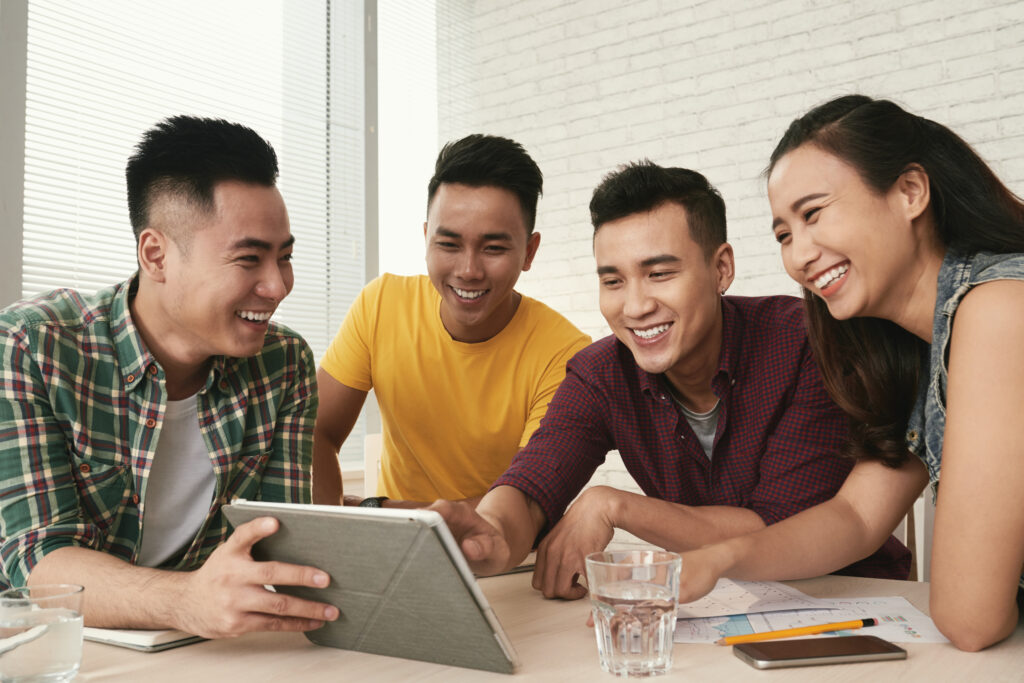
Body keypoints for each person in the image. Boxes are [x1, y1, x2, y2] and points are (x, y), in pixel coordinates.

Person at [438, 161, 910, 598]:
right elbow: (534, 483)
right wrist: (492, 534)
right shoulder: (600, 374)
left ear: (721, 268)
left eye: (659, 273)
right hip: (708, 609)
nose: (636, 306)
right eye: (613, 281)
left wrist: (613, 505)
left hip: (853, 601)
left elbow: (779, 527)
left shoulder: (807, 344)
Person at [671, 95, 1024, 652]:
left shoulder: (999, 308)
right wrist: (720, 559)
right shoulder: (924, 349)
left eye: (813, 214)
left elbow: (970, 618)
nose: (799, 256)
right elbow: (857, 517)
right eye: (784, 235)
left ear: (910, 192)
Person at [0, 116, 338, 638]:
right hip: (44, 647)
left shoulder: (284, 363)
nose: (277, 286)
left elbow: (279, 549)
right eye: (249, 259)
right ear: (156, 255)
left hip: (192, 651)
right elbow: (39, 560)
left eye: (285, 257)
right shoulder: (31, 346)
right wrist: (187, 601)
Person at [313, 134, 589, 507]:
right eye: (448, 244)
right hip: (391, 538)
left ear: (529, 251)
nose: (469, 270)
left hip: (503, 546)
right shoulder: (380, 304)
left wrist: (377, 510)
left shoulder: (565, 353)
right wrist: (331, 521)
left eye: (493, 248)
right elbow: (314, 433)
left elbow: (525, 503)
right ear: (427, 238)